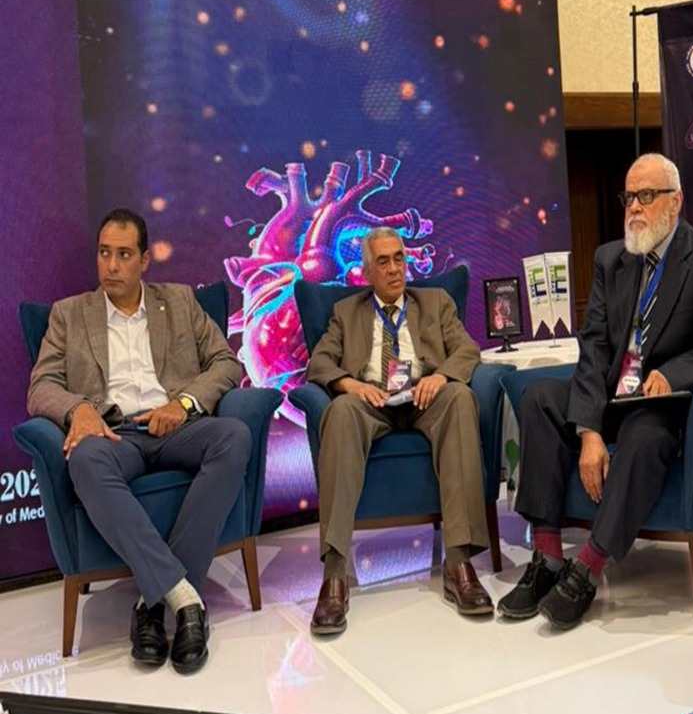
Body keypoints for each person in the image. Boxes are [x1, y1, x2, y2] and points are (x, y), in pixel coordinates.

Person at [498, 154, 693, 630]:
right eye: (629, 196)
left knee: (645, 433)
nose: (634, 207)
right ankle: (547, 557)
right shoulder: (611, 259)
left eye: (646, 196)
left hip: (662, 406)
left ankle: (587, 568)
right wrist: (589, 429)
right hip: (613, 394)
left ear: (675, 202)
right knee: (540, 398)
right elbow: (594, 344)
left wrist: (675, 373)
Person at [27, 208, 251, 675]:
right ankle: (183, 598)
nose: (111, 266)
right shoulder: (70, 314)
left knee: (234, 436)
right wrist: (78, 410)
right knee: (84, 460)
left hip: (175, 426)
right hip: (115, 434)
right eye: (104, 253)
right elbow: (41, 386)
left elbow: (226, 363)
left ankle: (152, 602)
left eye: (124, 255)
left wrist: (184, 404)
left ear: (145, 260)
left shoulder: (181, 301)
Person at [305, 227, 492, 634]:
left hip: (425, 398)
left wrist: (441, 377)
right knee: (339, 412)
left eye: (399, 259)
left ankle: (459, 562)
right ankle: (335, 574)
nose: (394, 269)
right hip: (371, 402)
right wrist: (351, 385)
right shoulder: (346, 312)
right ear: (367, 273)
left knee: (460, 398)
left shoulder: (436, 302)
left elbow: (467, 349)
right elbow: (319, 363)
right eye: (383, 262)